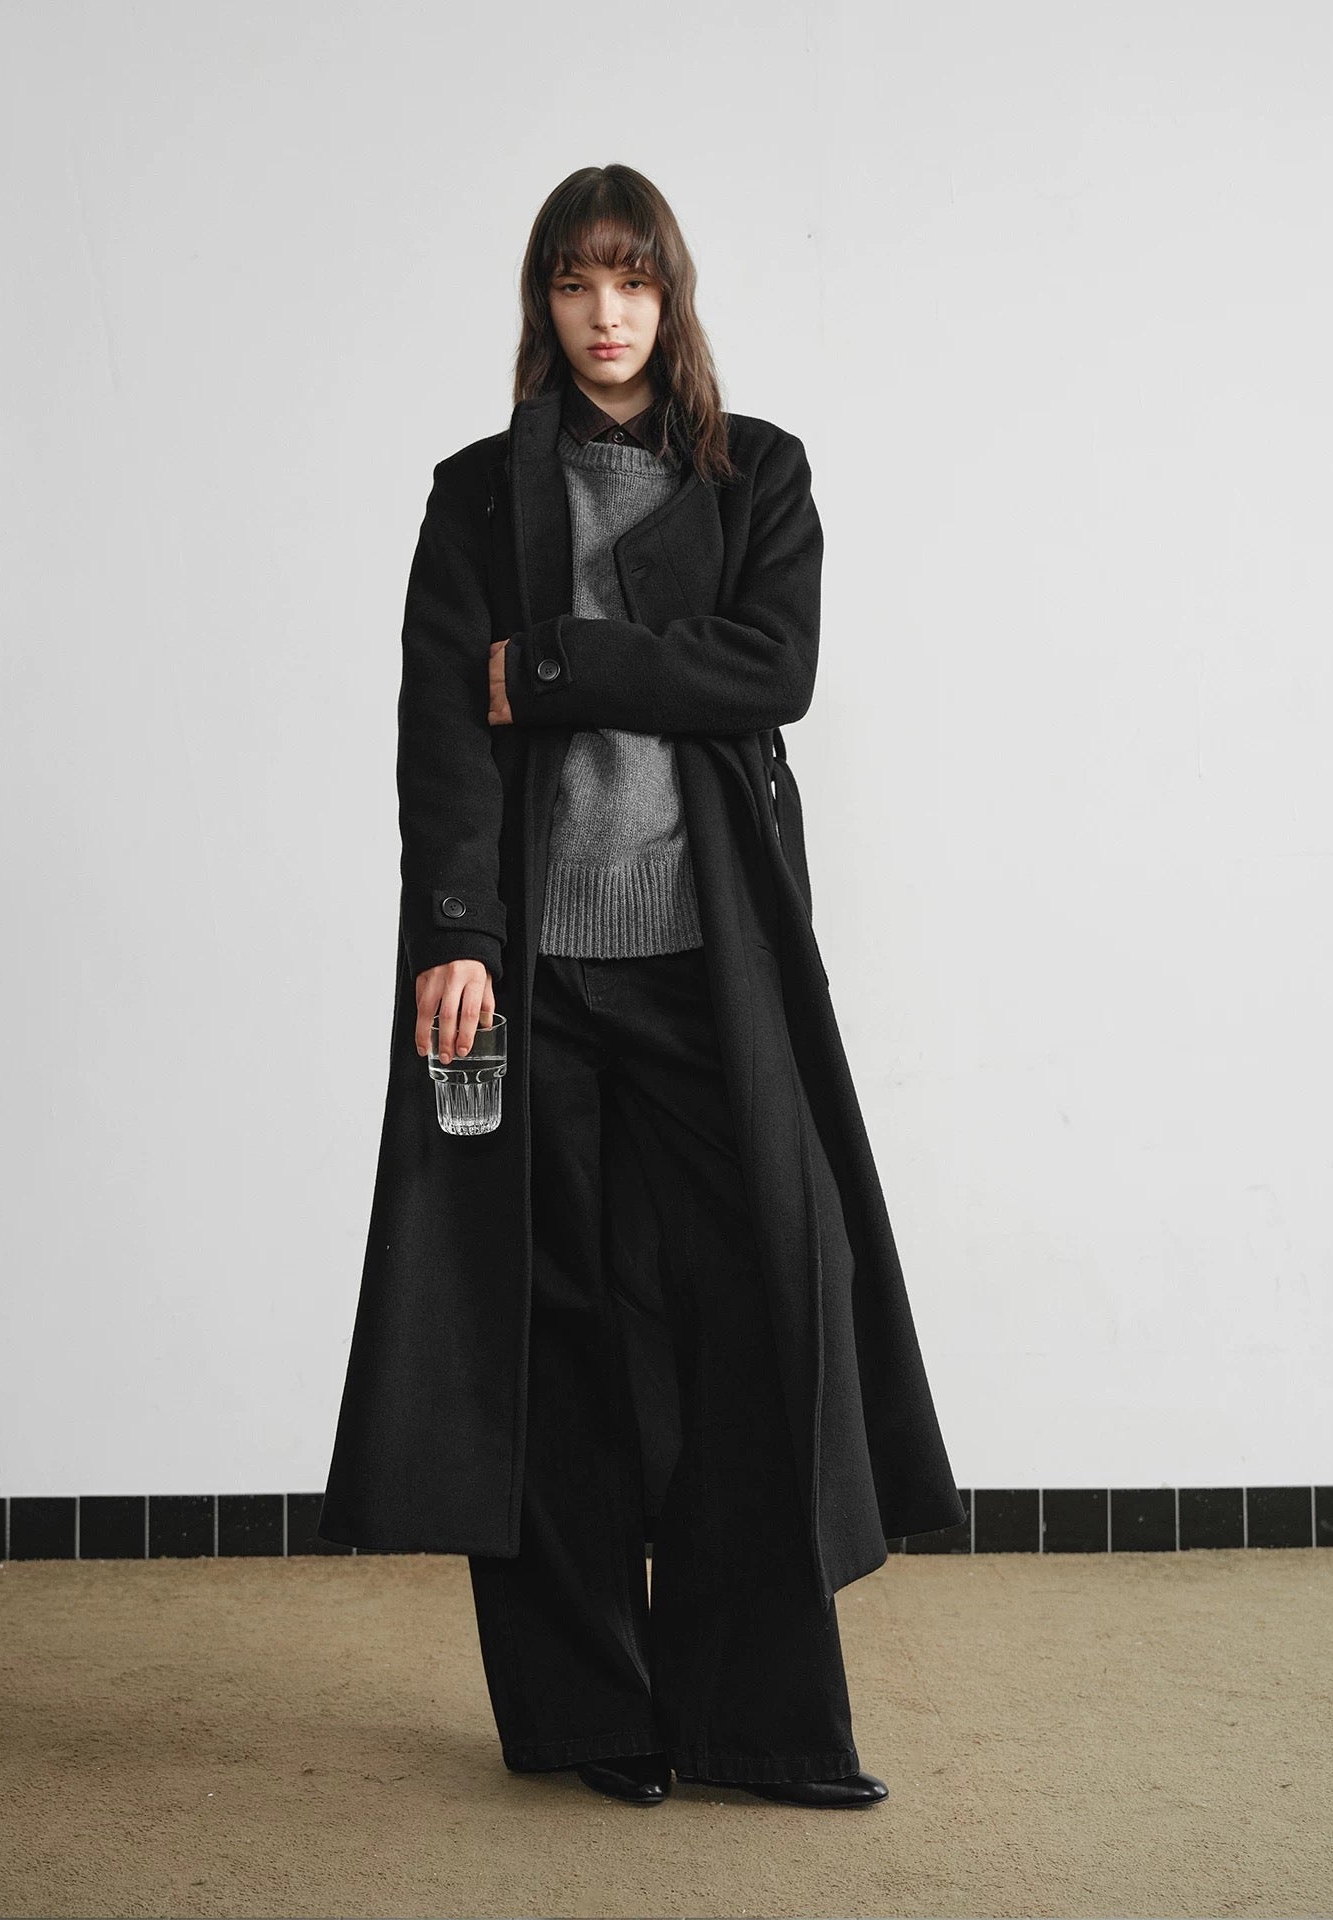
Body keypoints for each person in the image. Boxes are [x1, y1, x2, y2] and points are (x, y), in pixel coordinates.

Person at [318, 163, 967, 1811]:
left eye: (632, 280)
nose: (605, 313)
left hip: (703, 965)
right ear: (541, 304)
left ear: (671, 297)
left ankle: (759, 1724)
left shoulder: (758, 475)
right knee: (546, 1335)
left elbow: (770, 668)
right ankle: (585, 1717)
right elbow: (440, 733)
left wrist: (551, 661)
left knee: (761, 1315)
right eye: (573, 282)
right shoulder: (478, 498)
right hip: (527, 978)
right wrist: (456, 935)